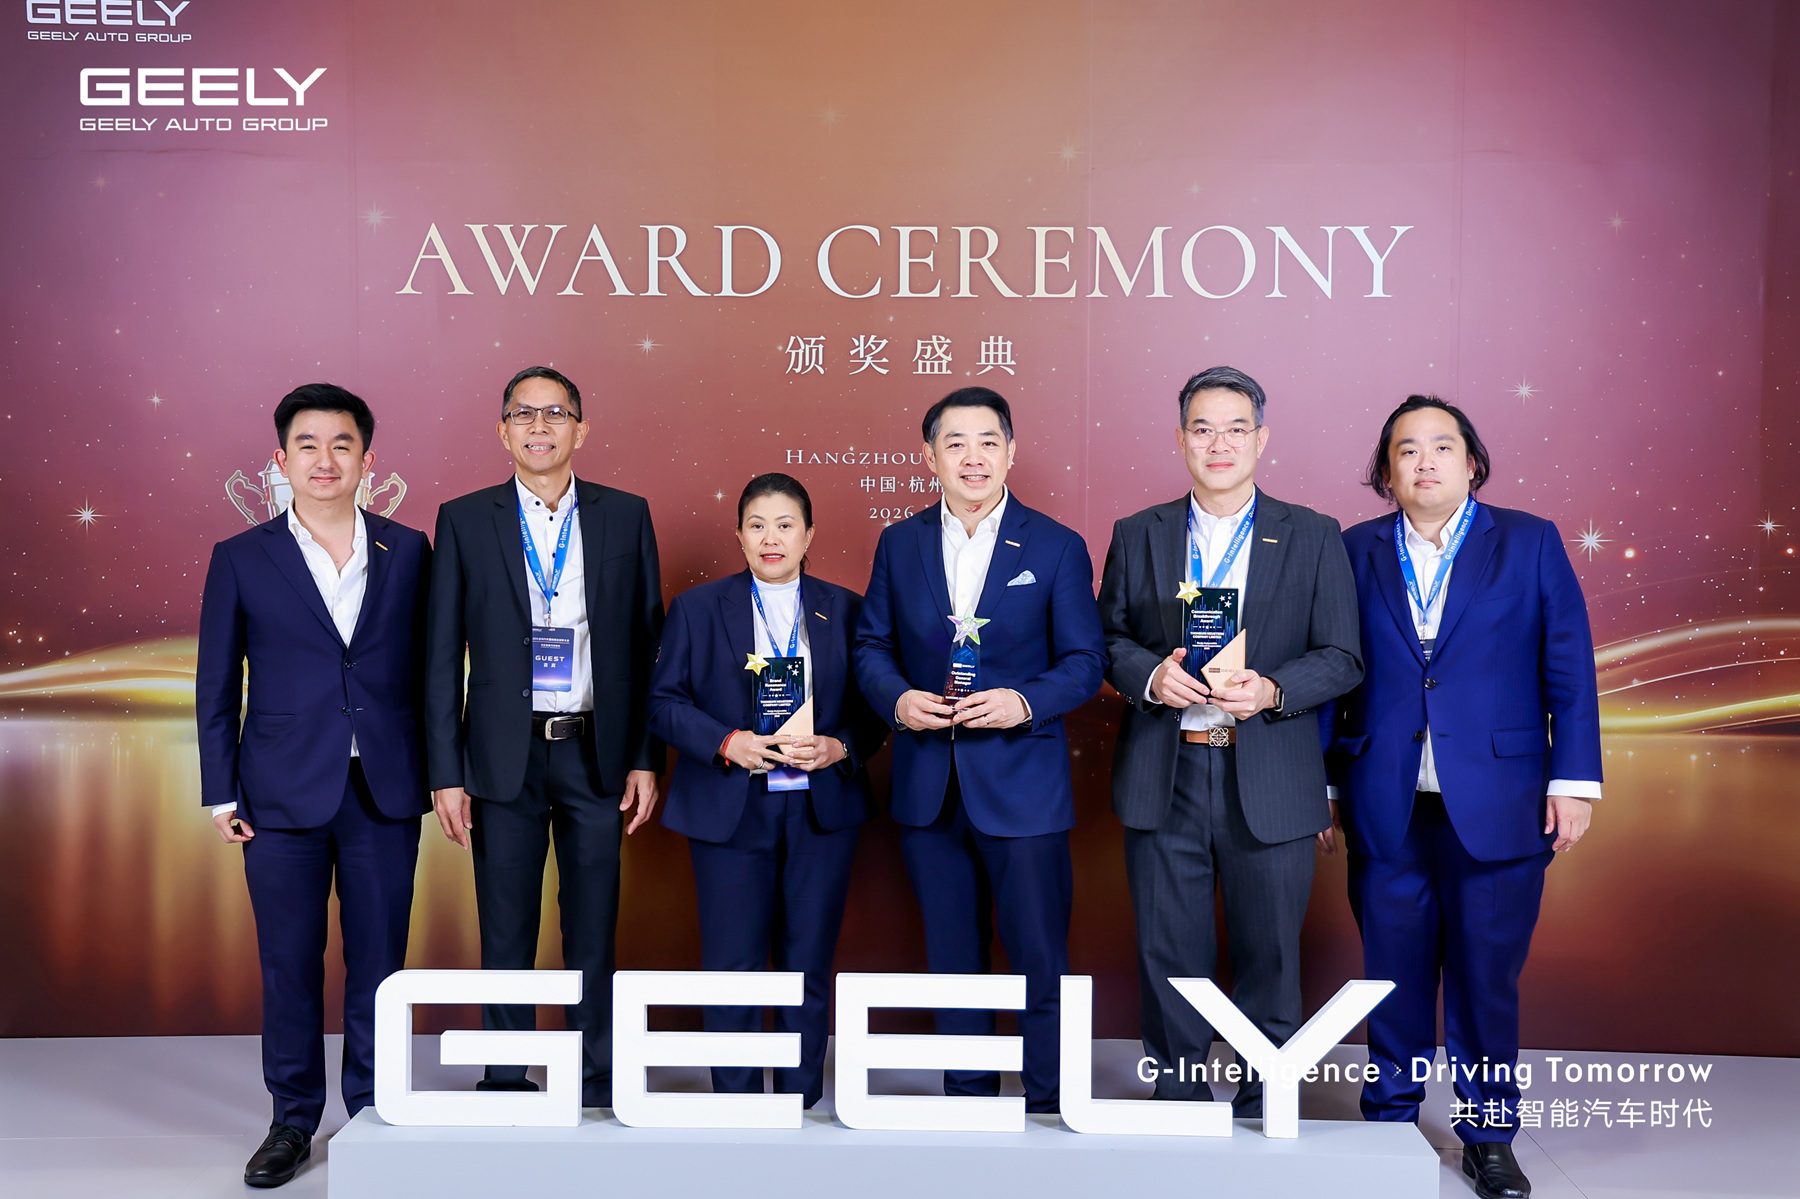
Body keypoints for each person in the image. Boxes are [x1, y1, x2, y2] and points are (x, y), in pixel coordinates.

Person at [1325, 395, 1601, 1199]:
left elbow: (1569, 667)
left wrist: (1574, 780)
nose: (1425, 461)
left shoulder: (1530, 541)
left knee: (1486, 980)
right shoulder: (1353, 549)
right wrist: (1325, 782)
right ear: (1385, 471)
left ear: (1472, 462)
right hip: (1384, 799)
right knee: (1392, 975)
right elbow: (1333, 672)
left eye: (1441, 446)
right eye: (1406, 449)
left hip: (1502, 800)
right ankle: (1388, 1120)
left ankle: (1488, 1134)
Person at [1097, 365, 1362, 1117]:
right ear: (1181, 439)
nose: (1220, 443)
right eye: (1203, 428)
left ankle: (1263, 1096)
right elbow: (1107, 639)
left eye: (1236, 429)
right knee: (1167, 950)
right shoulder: (1139, 532)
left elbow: (1343, 655)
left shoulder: (1313, 534)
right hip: (1167, 767)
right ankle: (1178, 1090)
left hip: (1268, 769)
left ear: (1261, 439)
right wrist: (1151, 676)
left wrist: (1273, 689)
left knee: (1270, 949)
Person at [196, 384, 430, 1187]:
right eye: (308, 444)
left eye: (341, 444)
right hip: (278, 794)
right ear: (281, 459)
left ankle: (372, 1109)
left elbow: (432, 674)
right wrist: (221, 791)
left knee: (381, 963)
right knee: (288, 963)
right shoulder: (241, 556)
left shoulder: (410, 549)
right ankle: (292, 1118)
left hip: (384, 791)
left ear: (367, 459)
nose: (325, 460)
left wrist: (444, 776)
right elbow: (216, 683)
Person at [853, 386, 1105, 1113]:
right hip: (928, 785)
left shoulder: (1055, 545)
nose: (973, 457)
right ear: (929, 455)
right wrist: (898, 700)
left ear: (1011, 451)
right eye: (955, 442)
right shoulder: (900, 543)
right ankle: (967, 1095)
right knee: (951, 954)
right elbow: (870, 645)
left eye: (988, 441)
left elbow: (1085, 660)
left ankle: (1049, 1099)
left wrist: (1023, 701)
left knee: (1038, 953)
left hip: (1023, 785)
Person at [424, 365, 664, 1109]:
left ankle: (595, 1076)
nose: (539, 426)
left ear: (580, 430)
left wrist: (644, 756)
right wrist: (446, 772)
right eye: (523, 414)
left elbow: (647, 646)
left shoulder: (626, 515)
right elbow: (440, 656)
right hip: (504, 754)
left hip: (596, 750)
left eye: (555, 413)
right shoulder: (465, 518)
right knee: (506, 923)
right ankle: (506, 1072)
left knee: (593, 922)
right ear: (503, 431)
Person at [648, 473, 887, 1107]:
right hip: (731, 806)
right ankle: (735, 1098)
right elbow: (663, 704)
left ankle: (798, 1097)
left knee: (809, 959)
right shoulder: (698, 609)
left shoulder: (848, 609)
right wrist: (727, 741)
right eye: (757, 525)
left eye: (785, 525)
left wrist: (839, 747)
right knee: (733, 962)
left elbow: (876, 709)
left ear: (809, 535)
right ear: (739, 535)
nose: (771, 538)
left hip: (819, 809)